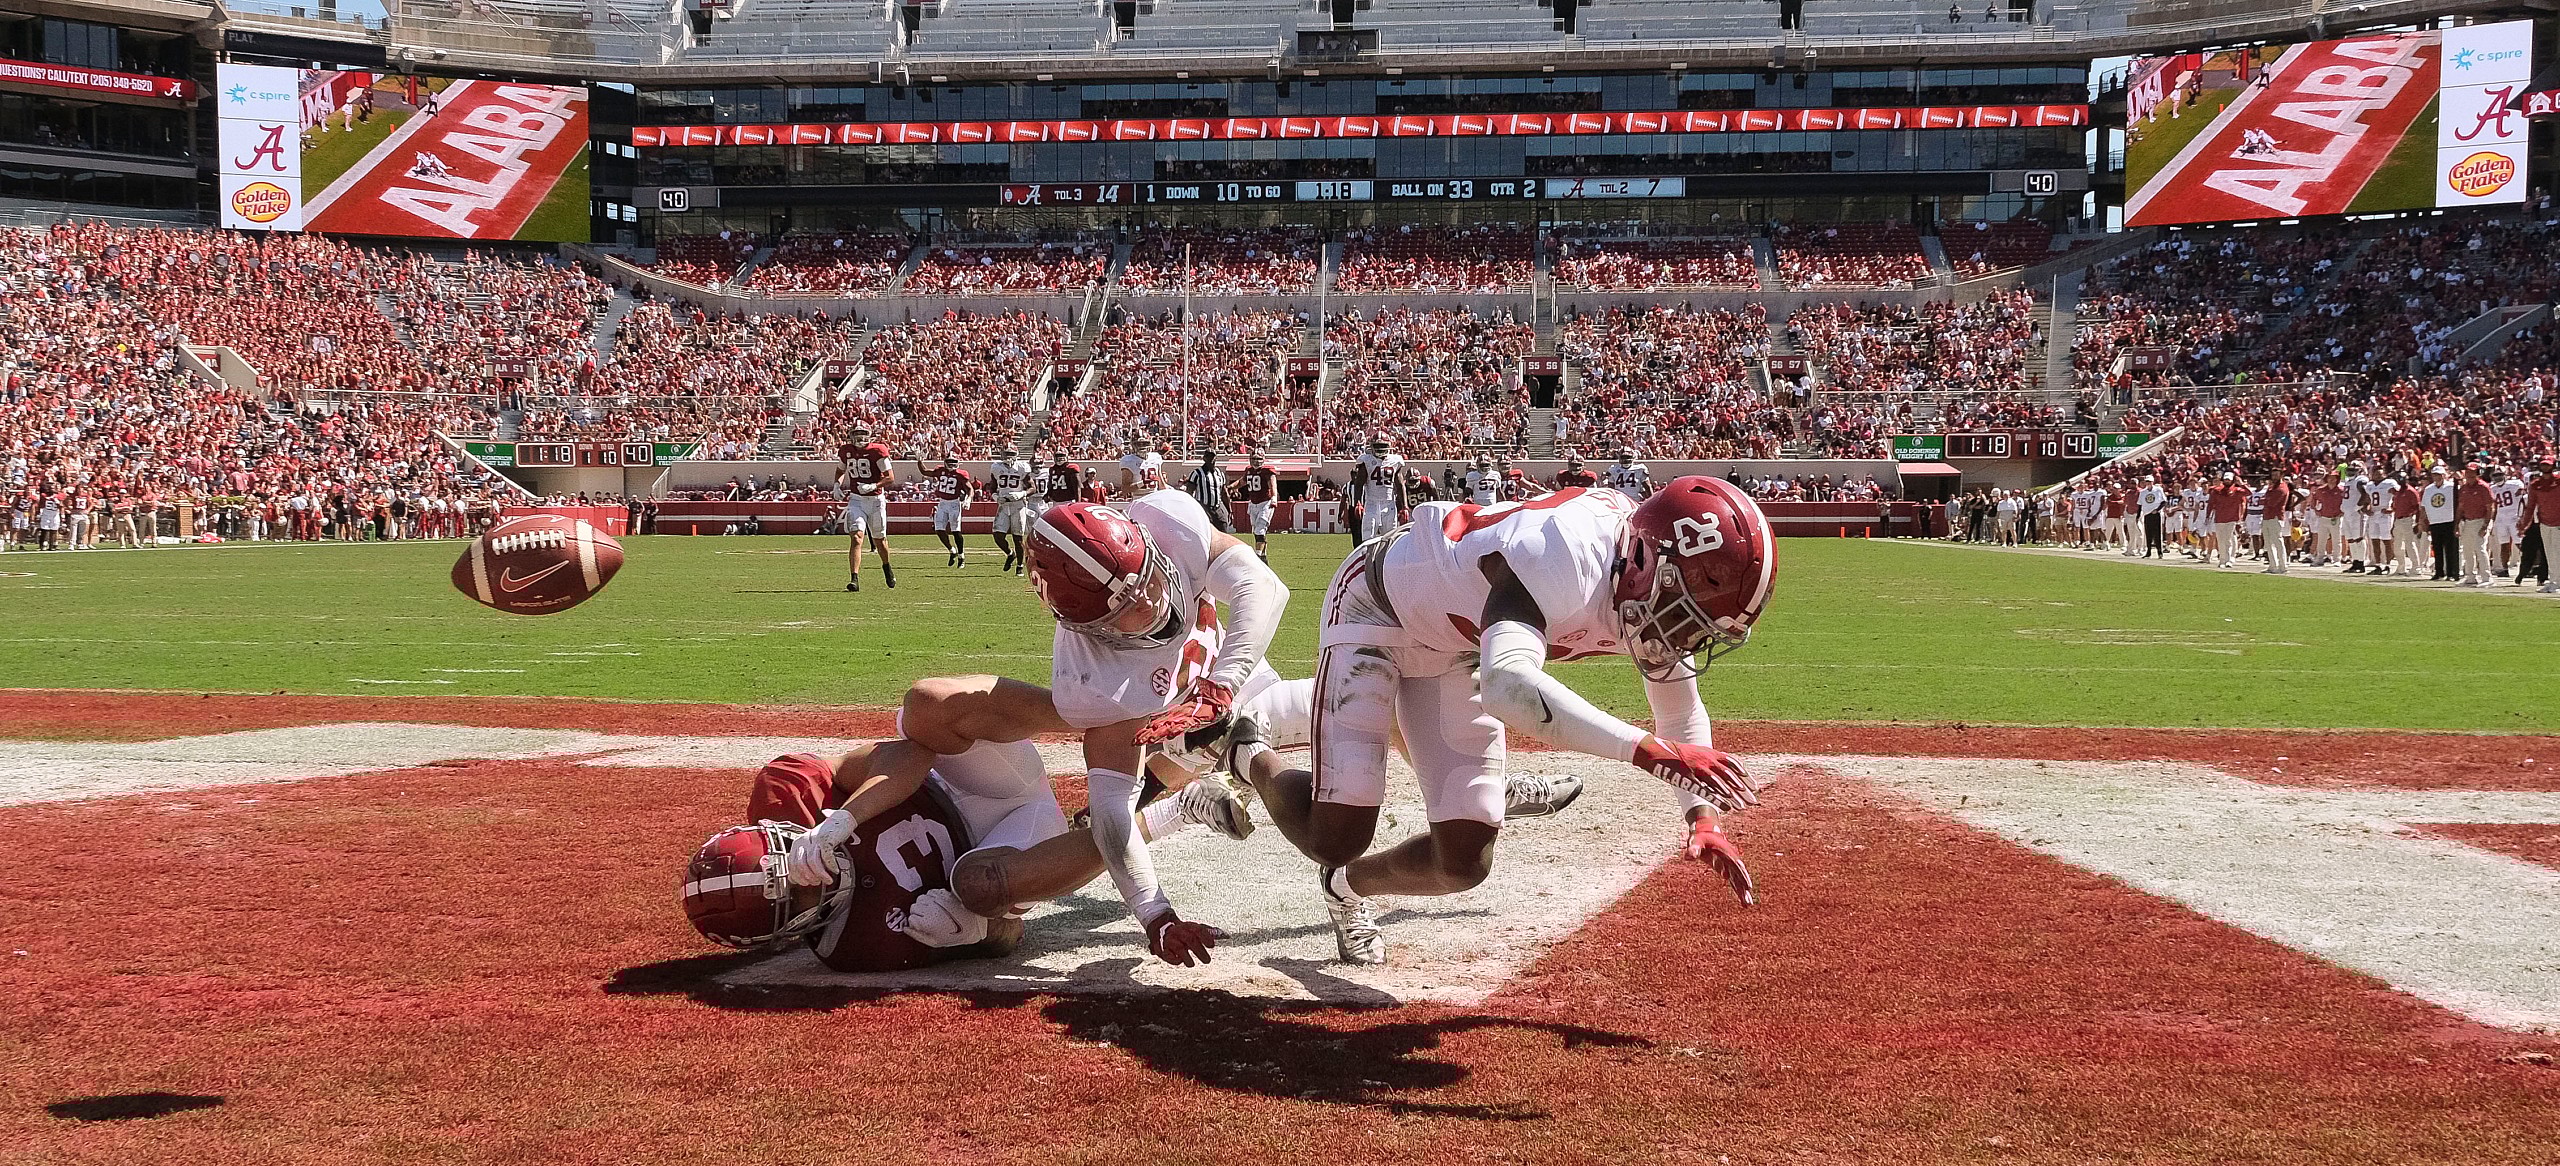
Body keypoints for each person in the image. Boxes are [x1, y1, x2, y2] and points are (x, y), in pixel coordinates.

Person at [1232, 478, 1768, 965]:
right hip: (1378, 607)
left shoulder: (1641, 569)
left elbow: (1678, 707)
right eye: (1685, 609)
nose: (1685, 635)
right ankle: (1242, 747)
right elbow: (1507, 687)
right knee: (1336, 833)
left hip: (1459, 647)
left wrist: (1703, 820)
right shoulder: (1566, 551)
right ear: (1648, 562)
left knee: (1463, 859)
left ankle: (1344, 888)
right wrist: (1649, 752)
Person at [680, 681, 1257, 970]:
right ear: (795, 926)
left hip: (968, 780)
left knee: (924, 704)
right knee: (975, 889)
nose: (810, 873)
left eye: (786, 857)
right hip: (1001, 844)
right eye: (798, 892)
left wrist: (840, 822)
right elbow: (1014, 933)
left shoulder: (787, 793)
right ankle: (1176, 804)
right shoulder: (856, 945)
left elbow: (905, 756)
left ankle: (1108, 708)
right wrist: (977, 933)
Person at [1016, 491, 1293, 964]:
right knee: (1218, 747)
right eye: (1126, 612)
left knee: (1353, 713)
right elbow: (1109, 806)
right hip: (1173, 732)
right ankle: (1190, 799)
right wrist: (1155, 914)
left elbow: (1263, 586)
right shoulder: (1090, 682)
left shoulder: (1167, 519)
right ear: (1086, 627)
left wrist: (1221, 686)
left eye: (1147, 580)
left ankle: (1197, 795)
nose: (1151, 603)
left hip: (1236, 682)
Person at [836, 425, 896, 592]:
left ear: (870, 435)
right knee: (856, 538)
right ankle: (854, 579)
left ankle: (886, 566)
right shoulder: (846, 451)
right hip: (856, 500)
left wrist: (873, 486)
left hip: (876, 500)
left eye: (863, 434)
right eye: (856, 434)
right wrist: (836, 485)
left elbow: (890, 477)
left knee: (880, 540)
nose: (860, 437)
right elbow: (840, 470)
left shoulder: (878, 450)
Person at [1349, 434, 1407, 547]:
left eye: (1382, 445)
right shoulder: (1366, 460)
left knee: (1390, 539)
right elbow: (1359, 484)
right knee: (1368, 540)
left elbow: (1400, 485)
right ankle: (1367, 563)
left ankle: (1387, 563)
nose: (1380, 448)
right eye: (1377, 445)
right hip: (1371, 503)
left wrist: (1404, 506)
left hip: (1389, 503)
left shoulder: (1395, 460)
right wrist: (1358, 503)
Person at [989, 451, 1035, 575]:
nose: (1008, 456)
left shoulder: (1022, 467)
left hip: (1018, 506)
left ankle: (1019, 566)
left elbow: (1032, 487)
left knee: (1018, 538)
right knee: (998, 536)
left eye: (1011, 454)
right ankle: (1010, 554)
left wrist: (1021, 494)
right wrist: (995, 496)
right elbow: (992, 486)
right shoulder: (996, 467)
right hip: (1003, 504)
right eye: (1006, 453)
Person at [927, 454, 974, 568]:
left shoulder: (960, 474)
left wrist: (968, 499)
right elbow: (925, 472)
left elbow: (970, 489)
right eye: (950, 461)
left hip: (954, 503)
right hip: (942, 502)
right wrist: (919, 461)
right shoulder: (940, 470)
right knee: (938, 529)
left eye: (954, 461)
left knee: (956, 531)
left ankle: (961, 556)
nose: (952, 464)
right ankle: (952, 550)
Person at [2457, 465, 2495, 586]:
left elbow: (2490, 507)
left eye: (2472, 473)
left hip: (2481, 520)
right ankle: (2470, 576)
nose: (2469, 476)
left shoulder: (2483, 487)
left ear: (2477, 474)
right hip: (2468, 521)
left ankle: (2487, 578)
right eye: (2467, 473)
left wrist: (2485, 526)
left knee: (2480, 548)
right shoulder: (2463, 488)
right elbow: (2460, 507)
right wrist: (2456, 524)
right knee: (2467, 549)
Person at [2525, 458, 2559, 593]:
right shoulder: (2535, 484)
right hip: (2544, 522)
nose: (2545, 467)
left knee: (2557, 552)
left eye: (2548, 465)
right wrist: (2525, 523)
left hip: (2558, 522)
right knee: (2549, 553)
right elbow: (2531, 506)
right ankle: (2553, 581)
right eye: (2543, 465)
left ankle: (2558, 582)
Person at [1238, 449, 1279, 560]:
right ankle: (1263, 557)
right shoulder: (1248, 470)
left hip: (1265, 503)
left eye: (1259, 459)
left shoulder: (1267, 471)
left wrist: (1274, 497)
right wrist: (1230, 487)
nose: (1256, 461)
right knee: (1256, 531)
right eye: (1254, 459)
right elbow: (1242, 482)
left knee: (1259, 530)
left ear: (1263, 459)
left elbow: (1272, 484)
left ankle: (1257, 556)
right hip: (1253, 503)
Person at [2420, 467, 2457, 581]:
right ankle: (2439, 572)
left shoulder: (2451, 487)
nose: (2437, 477)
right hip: (2434, 521)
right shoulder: (2429, 489)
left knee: (2450, 549)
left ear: (2443, 475)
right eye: (2435, 475)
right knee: (2437, 548)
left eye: (2439, 475)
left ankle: (2451, 572)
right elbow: (2424, 506)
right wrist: (2424, 520)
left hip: (2449, 520)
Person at [1185, 445, 1233, 534]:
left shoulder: (1220, 474)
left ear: (1216, 458)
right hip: (1203, 507)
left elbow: (1224, 492)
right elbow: (1189, 492)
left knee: (1223, 531)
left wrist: (1229, 510)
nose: (1210, 459)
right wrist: (1191, 509)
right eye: (1208, 456)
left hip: (1217, 508)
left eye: (1212, 456)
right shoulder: (1197, 473)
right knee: (1206, 533)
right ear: (1204, 458)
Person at [2260, 470, 2292, 574]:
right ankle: (2272, 565)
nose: (2274, 477)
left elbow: (2271, 502)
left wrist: (2264, 500)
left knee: (2278, 540)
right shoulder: (2271, 487)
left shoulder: (2282, 488)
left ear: (2281, 475)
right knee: (2268, 542)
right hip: (2267, 515)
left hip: (2276, 516)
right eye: (2273, 474)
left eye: (2276, 475)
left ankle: (2283, 565)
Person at [1116, 435, 1165, 499]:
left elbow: (1161, 483)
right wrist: (1143, 483)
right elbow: (1125, 489)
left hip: (1154, 497)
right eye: (1139, 444)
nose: (1142, 446)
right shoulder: (1128, 461)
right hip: (1139, 498)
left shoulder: (1155, 457)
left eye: (1145, 444)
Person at [2137, 475, 2167, 558]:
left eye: (2149, 482)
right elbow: (2139, 505)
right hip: (2147, 514)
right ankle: (2148, 551)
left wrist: (2157, 510)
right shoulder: (2143, 492)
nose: (2148, 483)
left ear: (2152, 482)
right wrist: (2138, 515)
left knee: (2157, 534)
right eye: (2147, 482)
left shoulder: (2158, 490)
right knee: (2148, 534)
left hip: (2156, 514)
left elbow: (2164, 502)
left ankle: (2159, 552)